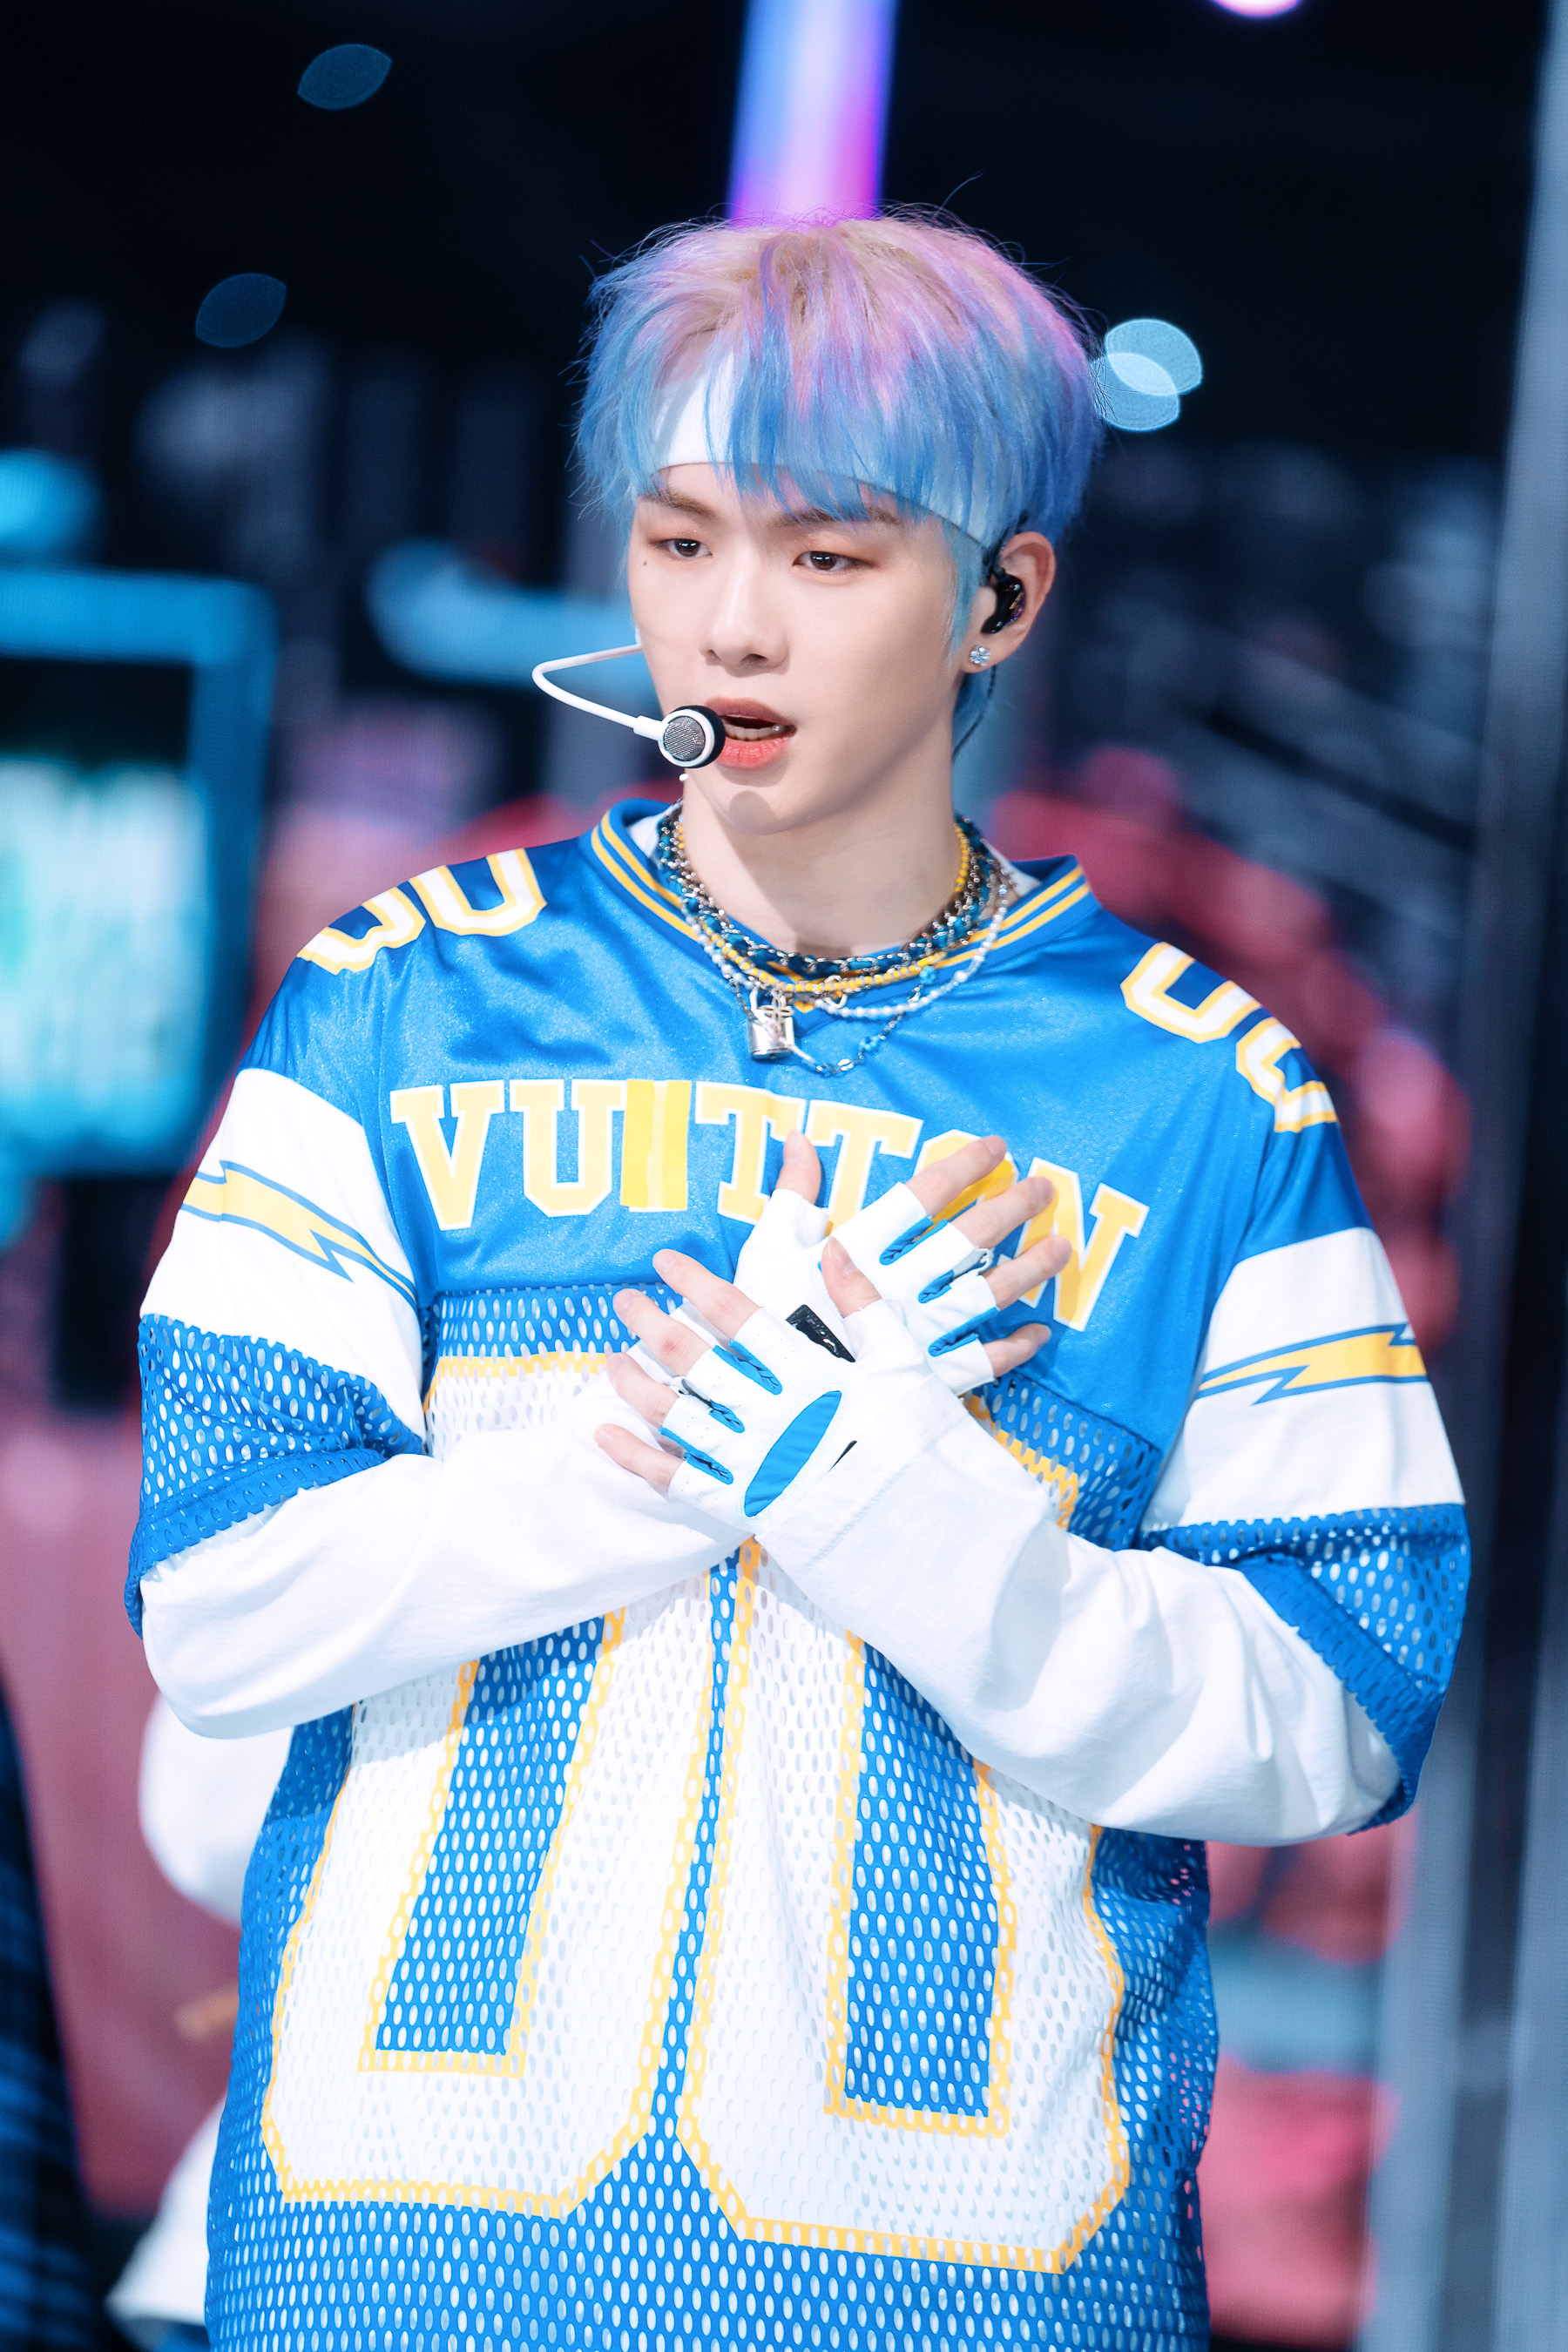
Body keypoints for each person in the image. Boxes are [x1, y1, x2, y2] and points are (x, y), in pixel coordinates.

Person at [126, 214, 1468, 2349]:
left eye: (828, 556)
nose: (729, 624)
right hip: (393, 2263)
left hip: (976, 2289)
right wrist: (691, 1454)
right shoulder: (401, 1003)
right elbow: (220, 1599)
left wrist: (888, 1500)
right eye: (679, 540)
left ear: (999, 598)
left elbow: (1337, 1709)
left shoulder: (1198, 1097)